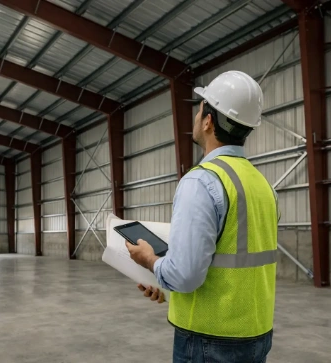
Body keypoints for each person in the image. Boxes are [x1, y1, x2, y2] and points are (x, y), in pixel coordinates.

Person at [125, 70, 280, 363]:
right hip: (256, 335)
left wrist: (150, 260)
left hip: (210, 342)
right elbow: (228, 261)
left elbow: (185, 275)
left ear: (208, 121)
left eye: (200, 111)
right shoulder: (263, 186)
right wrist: (165, 282)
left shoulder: (202, 181)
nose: (196, 118)